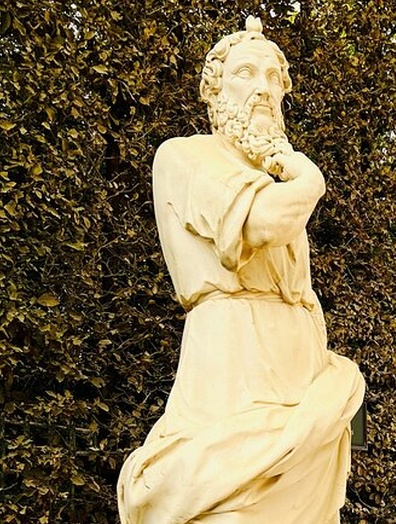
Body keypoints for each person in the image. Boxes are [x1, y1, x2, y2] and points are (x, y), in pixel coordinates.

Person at [117, 17, 365, 523]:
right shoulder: (186, 157)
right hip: (234, 360)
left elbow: (303, 290)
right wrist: (308, 175)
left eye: (274, 78)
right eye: (245, 73)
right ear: (214, 91)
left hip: (300, 366)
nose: (263, 89)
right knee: (229, 503)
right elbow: (264, 223)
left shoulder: (272, 181)